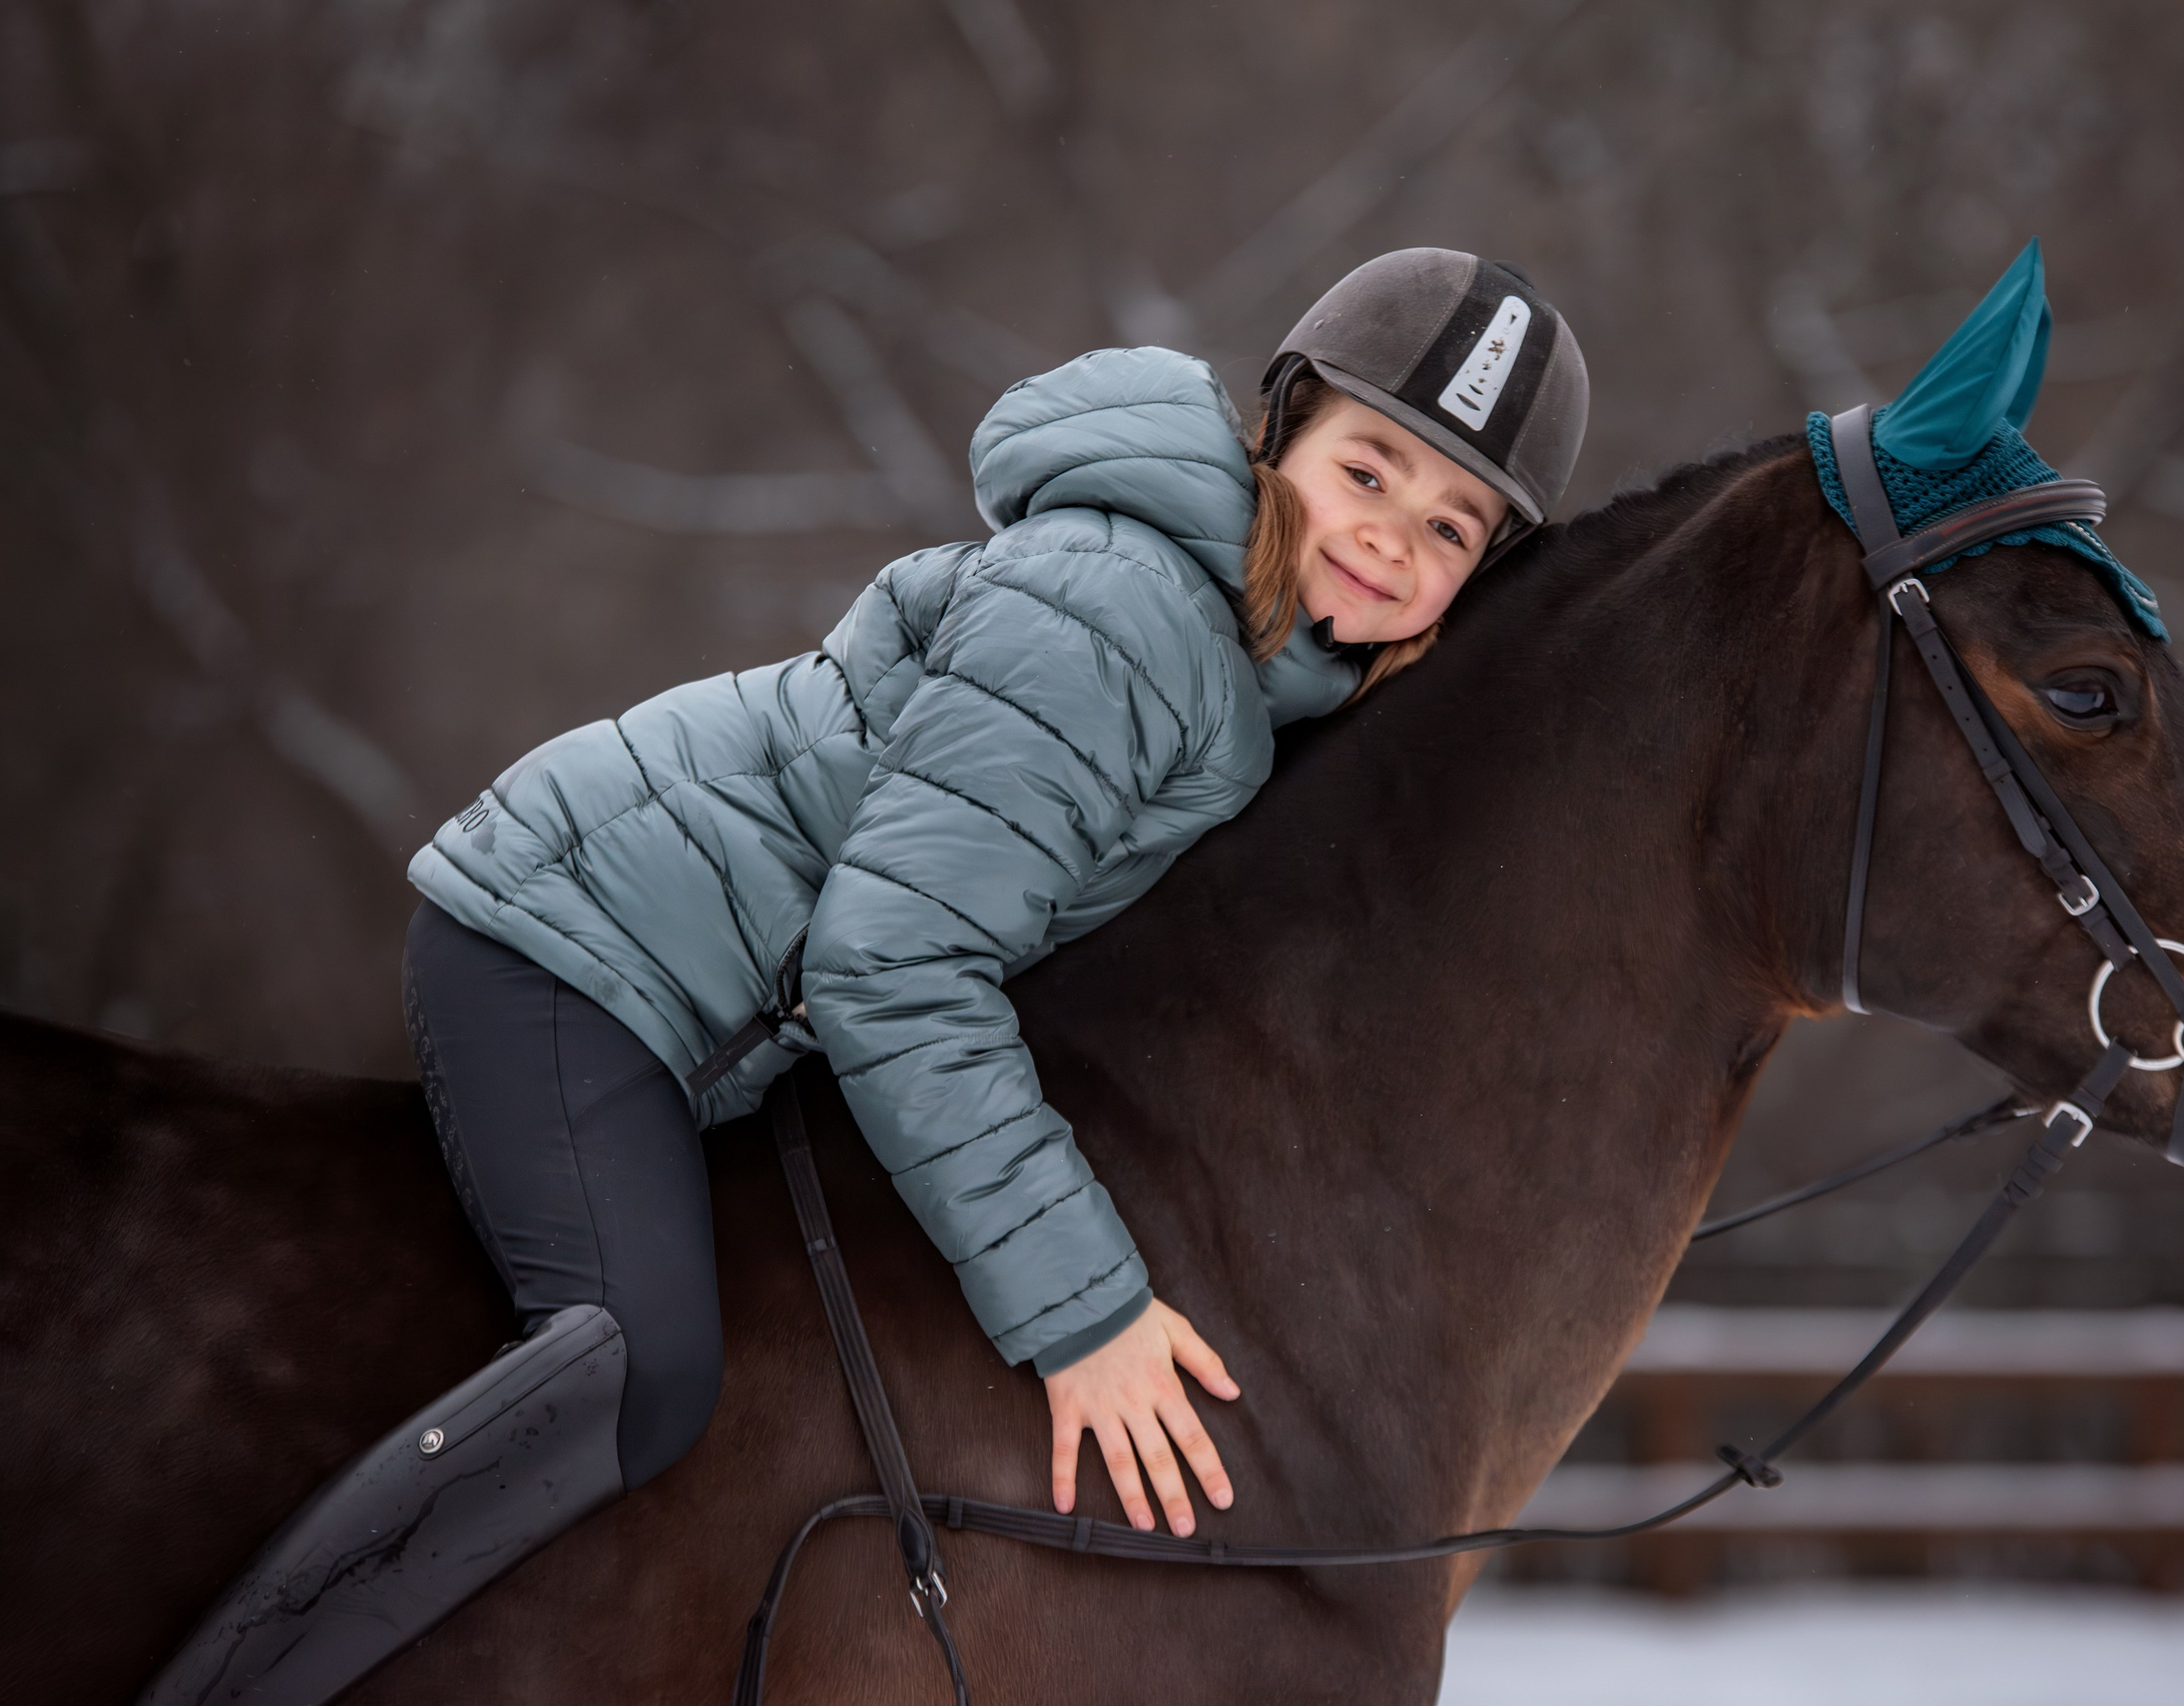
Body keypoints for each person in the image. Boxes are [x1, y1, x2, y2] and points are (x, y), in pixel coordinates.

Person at [141, 249, 1588, 1702]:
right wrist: (1081, 1311)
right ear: (1279, 426)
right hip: (575, 948)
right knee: (636, 1372)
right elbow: (894, 960)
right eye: (1372, 469)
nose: (1394, 535)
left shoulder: (1265, 681)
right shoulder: (1129, 617)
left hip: (733, 1009)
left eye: (1453, 523)